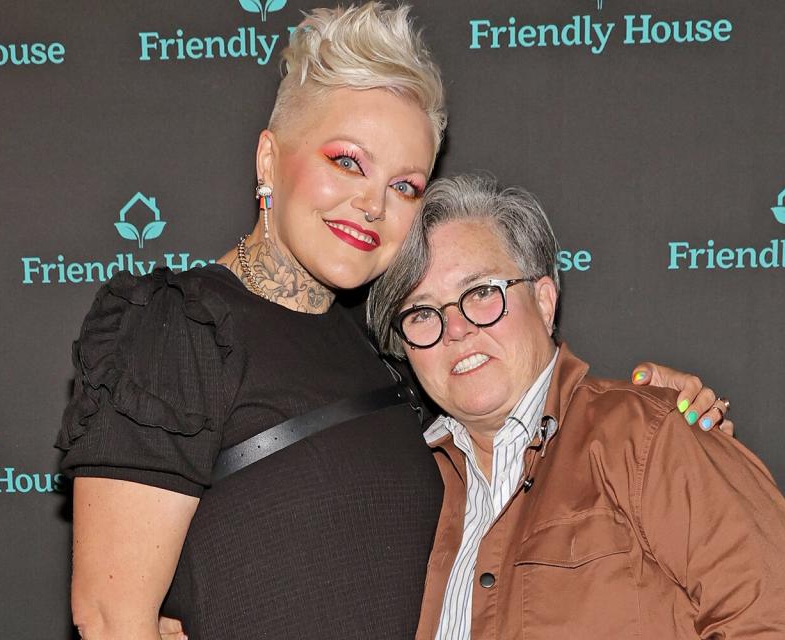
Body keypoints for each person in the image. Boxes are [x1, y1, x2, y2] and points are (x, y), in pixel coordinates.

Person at [57, 5, 729, 640]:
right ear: (269, 160)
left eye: (404, 185)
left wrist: (662, 420)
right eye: (346, 161)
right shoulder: (184, 328)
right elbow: (112, 614)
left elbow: (518, 440)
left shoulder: (385, 342)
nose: (371, 204)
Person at [367, 174, 785, 640]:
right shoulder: (410, 489)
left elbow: (773, 622)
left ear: (544, 302)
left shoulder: (652, 437)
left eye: (482, 291)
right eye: (423, 312)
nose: (457, 328)